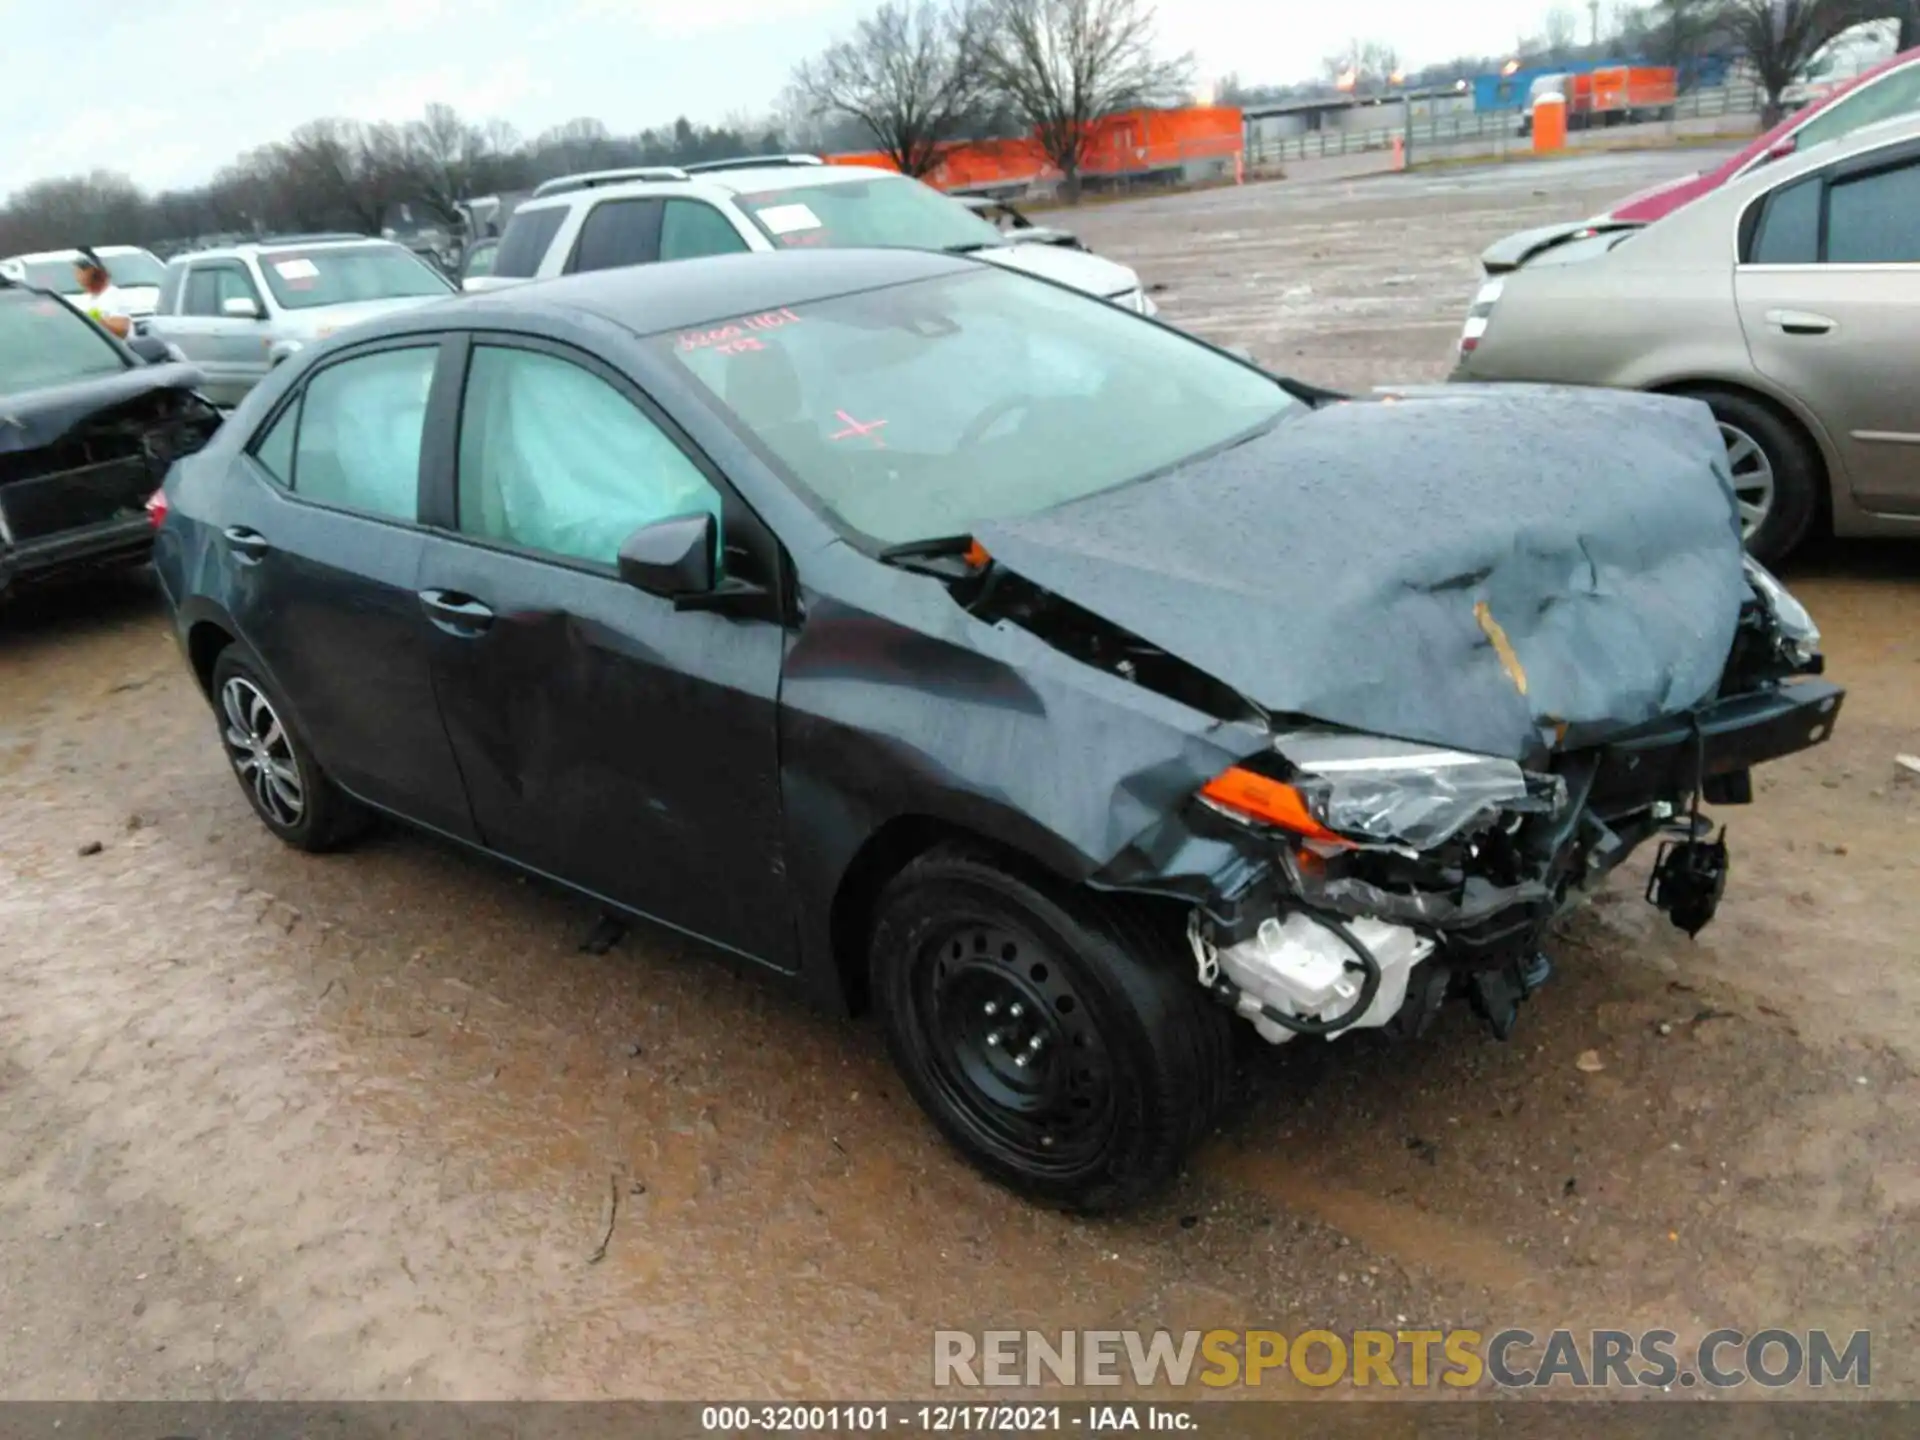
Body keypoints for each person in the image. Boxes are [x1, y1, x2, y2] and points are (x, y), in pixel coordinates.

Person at [71, 247, 131, 338]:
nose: (78, 275)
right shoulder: (84, 299)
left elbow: (122, 331)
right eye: (77, 271)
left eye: (82, 270)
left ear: (95, 272)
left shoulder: (114, 296)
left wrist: (94, 321)